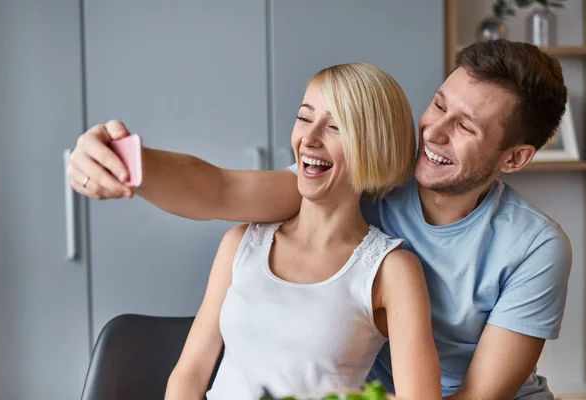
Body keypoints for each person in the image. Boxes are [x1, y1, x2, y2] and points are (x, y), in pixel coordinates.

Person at [68, 39, 572, 399]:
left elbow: (479, 395)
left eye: (463, 126)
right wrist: (125, 161)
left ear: (513, 158)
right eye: (437, 105)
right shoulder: (361, 180)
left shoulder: (534, 246)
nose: (433, 133)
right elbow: (219, 188)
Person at [164, 63, 440, 399]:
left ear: (374, 146)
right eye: (305, 118)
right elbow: (189, 374)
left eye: (335, 126)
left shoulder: (392, 271)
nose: (309, 139)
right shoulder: (240, 243)